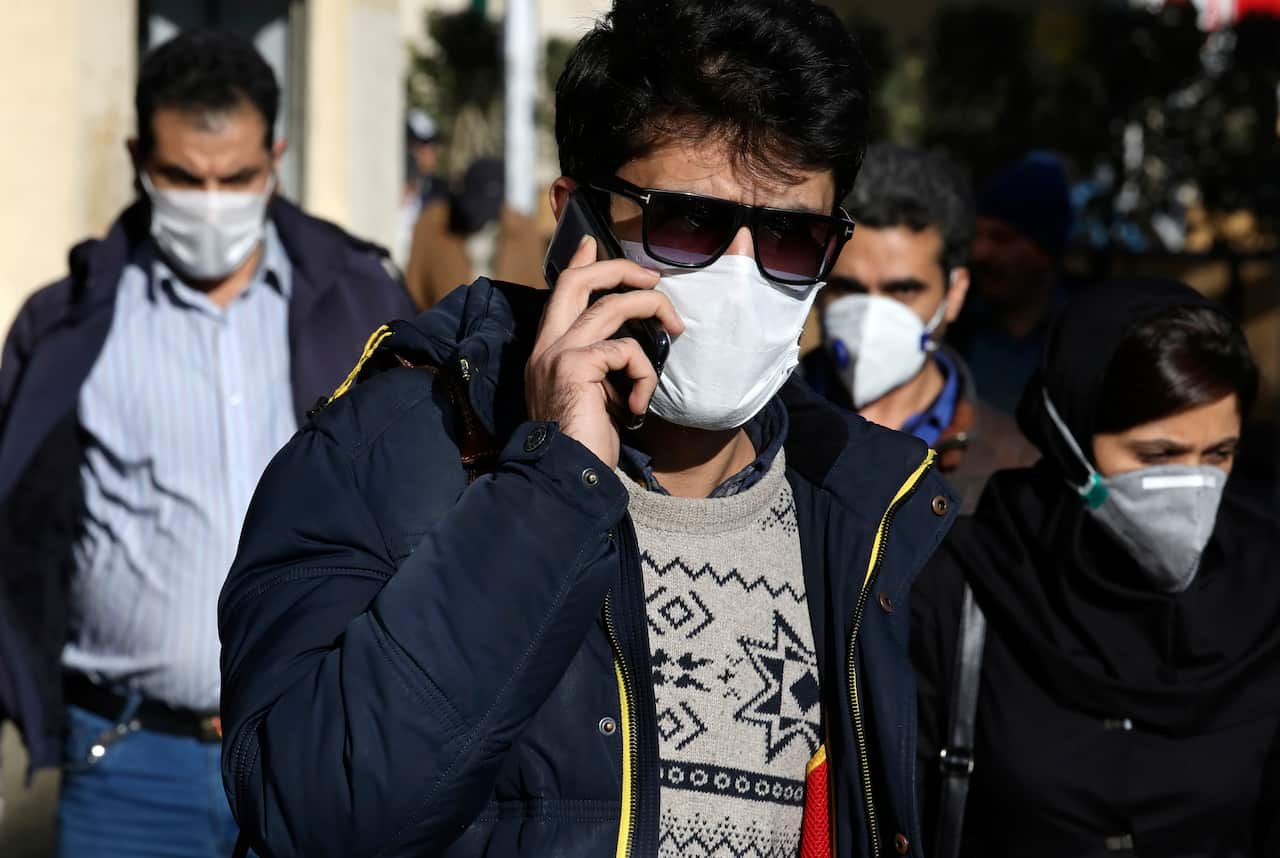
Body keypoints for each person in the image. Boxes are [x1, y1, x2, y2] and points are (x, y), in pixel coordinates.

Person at [219, 2, 958, 857]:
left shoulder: (864, 509)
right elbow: (312, 814)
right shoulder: (386, 451)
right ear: (577, 216)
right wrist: (551, 482)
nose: (741, 274)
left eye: (791, 238)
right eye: (689, 222)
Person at [0, 30, 412, 858]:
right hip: (127, 765)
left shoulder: (360, 305)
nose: (213, 201)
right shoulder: (69, 326)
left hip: (320, 755)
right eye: (185, 178)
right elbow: (20, 525)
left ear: (277, 158)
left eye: (238, 177)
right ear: (139, 161)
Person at [912, 278, 1280, 858]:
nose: (1193, 486)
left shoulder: (1262, 592)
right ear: (1069, 441)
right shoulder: (963, 582)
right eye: (1156, 456)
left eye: (1218, 456)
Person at [805, 143, 1037, 511]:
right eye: (848, 288)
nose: (870, 318)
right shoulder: (759, 430)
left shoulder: (1014, 466)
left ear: (955, 293)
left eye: (903, 289)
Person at [948, 152, 1074, 414]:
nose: (980, 253)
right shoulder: (953, 330)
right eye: (977, 235)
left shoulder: (1082, 340)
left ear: (1045, 250)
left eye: (1002, 238)